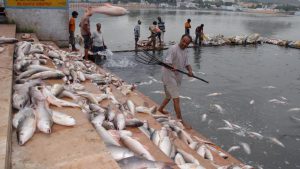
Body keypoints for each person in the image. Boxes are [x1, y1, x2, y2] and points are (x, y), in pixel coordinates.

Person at [158, 34, 194, 128]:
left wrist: (190, 71)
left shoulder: (185, 51)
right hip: (168, 76)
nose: (185, 44)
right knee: (176, 99)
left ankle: (160, 109)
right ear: (181, 39)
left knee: (169, 96)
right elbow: (166, 63)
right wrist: (171, 66)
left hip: (176, 77)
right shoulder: (173, 49)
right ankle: (180, 121)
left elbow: (187, 63)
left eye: (187, 43)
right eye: (184, 41)